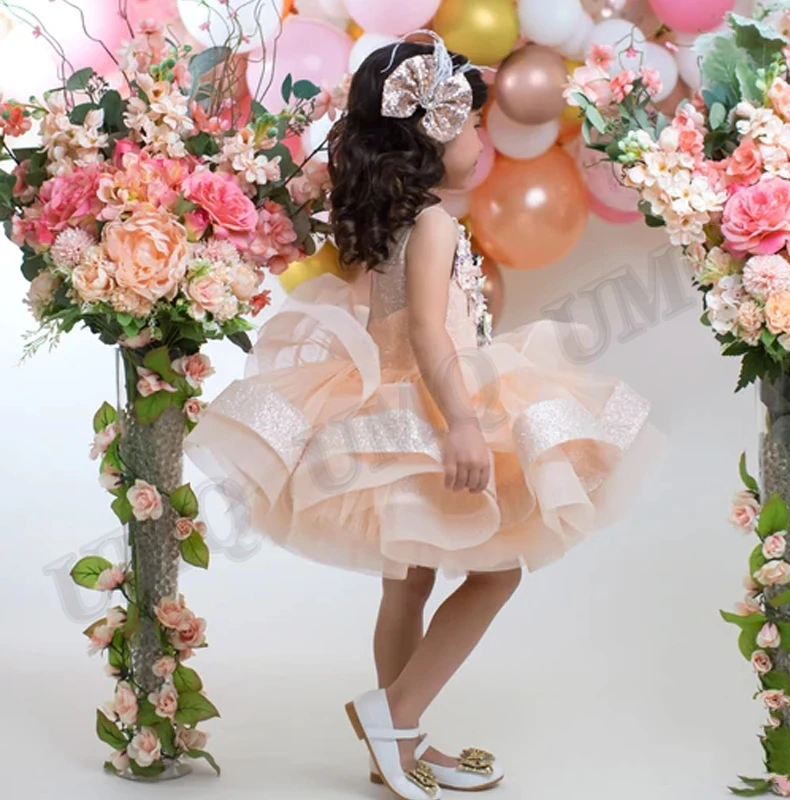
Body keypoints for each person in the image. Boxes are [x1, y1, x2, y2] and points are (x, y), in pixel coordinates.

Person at [184, 30, 661, 800]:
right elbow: (430, 335)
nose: (481, 138)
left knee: (407, 582)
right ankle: (395, 714)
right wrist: (464, 424)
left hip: (391, 403)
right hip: (436, 408)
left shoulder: (394, 218)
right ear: (434, 135)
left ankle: (397, 745)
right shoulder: (434, 222)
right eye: (471, 124)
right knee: (496, 572)